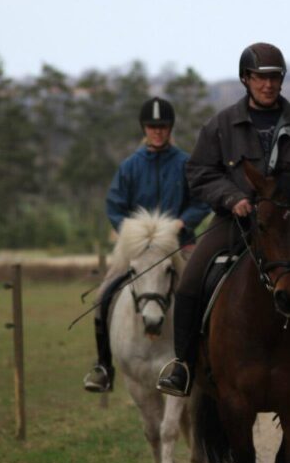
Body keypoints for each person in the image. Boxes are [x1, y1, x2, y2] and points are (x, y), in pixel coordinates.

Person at [156, 42, 290, 405]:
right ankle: (183, 366)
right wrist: (232, 198)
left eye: (275, 78)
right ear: (246, 79)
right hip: (236, 221)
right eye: (261, 77)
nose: (268, 85)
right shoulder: (221, 126)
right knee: (192, 280)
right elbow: (198, 171)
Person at [82, 97, 211, 393]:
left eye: (163, 127)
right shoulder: (129, 167)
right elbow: (115, 207)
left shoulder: (185, 164)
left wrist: (183, 223)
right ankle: (104, 366)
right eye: (153, 127)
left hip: (178, 246)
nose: (158, 132)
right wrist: (130, 235)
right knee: (103, 296)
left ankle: (204, 360)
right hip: (137, 250)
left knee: (205, 293)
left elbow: (202, 201)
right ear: (145, 128)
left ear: (170, 128)